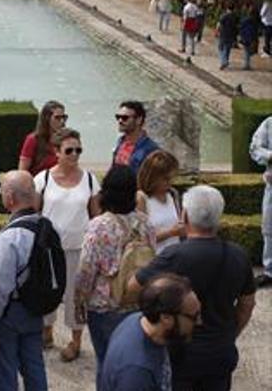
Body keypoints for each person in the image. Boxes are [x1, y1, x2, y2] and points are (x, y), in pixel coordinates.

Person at [130, 186, 256, 390]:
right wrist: (230, 332)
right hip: (220, 351)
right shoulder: (238, 255)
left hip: (179, 351)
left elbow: (134, 287)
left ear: (185, 215)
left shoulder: (173, 256)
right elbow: (247, 304)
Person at [73, 165, 155, 388]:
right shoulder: (145, 223)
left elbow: (86, 270)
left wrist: (79, 300)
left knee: (107, 362)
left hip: (105, 305)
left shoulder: (99, 226)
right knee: (134, 360)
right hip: (137, 301)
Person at [33, 128, 99, 361]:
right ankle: (47, 332)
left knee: (76, 296)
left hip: (78, 249)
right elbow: (34, 212)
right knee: (47, 291)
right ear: (57, 152)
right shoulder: (43, 179)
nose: (74, 155)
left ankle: (76, 340)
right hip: (49, 249)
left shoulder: (90, 180)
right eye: (69, 150)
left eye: (78, 150)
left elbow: (96, 217)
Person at [0, 171, 48, 391]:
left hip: (10, 313)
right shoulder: (45, 227)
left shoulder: (11, 237)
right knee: (34, 366)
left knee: (4, 371)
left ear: (10, 198)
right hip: (35, 307)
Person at [101, 274, 201, 391]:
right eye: (193, 317)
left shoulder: (137, 319)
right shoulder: (137, 374)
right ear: (166, 318)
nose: (199, 322)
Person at [136, 150, 183, 253]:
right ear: (153, 177)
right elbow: (141, 239)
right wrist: (170, 233)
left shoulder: (173, 194)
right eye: (166, 179)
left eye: (172, 178)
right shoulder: (142, 198)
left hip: (175, 257)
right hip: (154, 260)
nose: (170, 182)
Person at [250, 116, 272, 288]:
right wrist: (270, 156)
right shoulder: (269, 123)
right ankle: (270, 271)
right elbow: (255, 148)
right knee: (269, 228)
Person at [19, 100, 67, 175]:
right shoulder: (33, 140)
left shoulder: (65, 140)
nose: (62, 121)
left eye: (64, 117)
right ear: (47, 118)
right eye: (57, 118)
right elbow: (22, 171)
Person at [112, 100, 160, 174]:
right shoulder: (120, 142)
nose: (120, 121)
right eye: (118, 117)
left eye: (125, 118)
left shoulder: (151, 149)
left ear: (138, 120)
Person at [217, 1, 240, 70]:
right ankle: (225, 60)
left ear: (227, 8)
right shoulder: (235, 16)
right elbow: (237, 25)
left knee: (221, 48)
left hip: (223, 34)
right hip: (232, 34)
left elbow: (219, 24)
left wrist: (217, 31)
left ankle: (224, 61)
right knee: (227, 49)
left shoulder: (224, 16)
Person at [239, 4, 260, 70]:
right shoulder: (256, 20)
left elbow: (241, 27)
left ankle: (246, 64)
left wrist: (241, 35)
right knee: (249, 51)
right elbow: (257, 30)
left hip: (246, 37)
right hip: (253, 37)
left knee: (247, 51)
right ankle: (247, 64)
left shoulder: (245, 19)